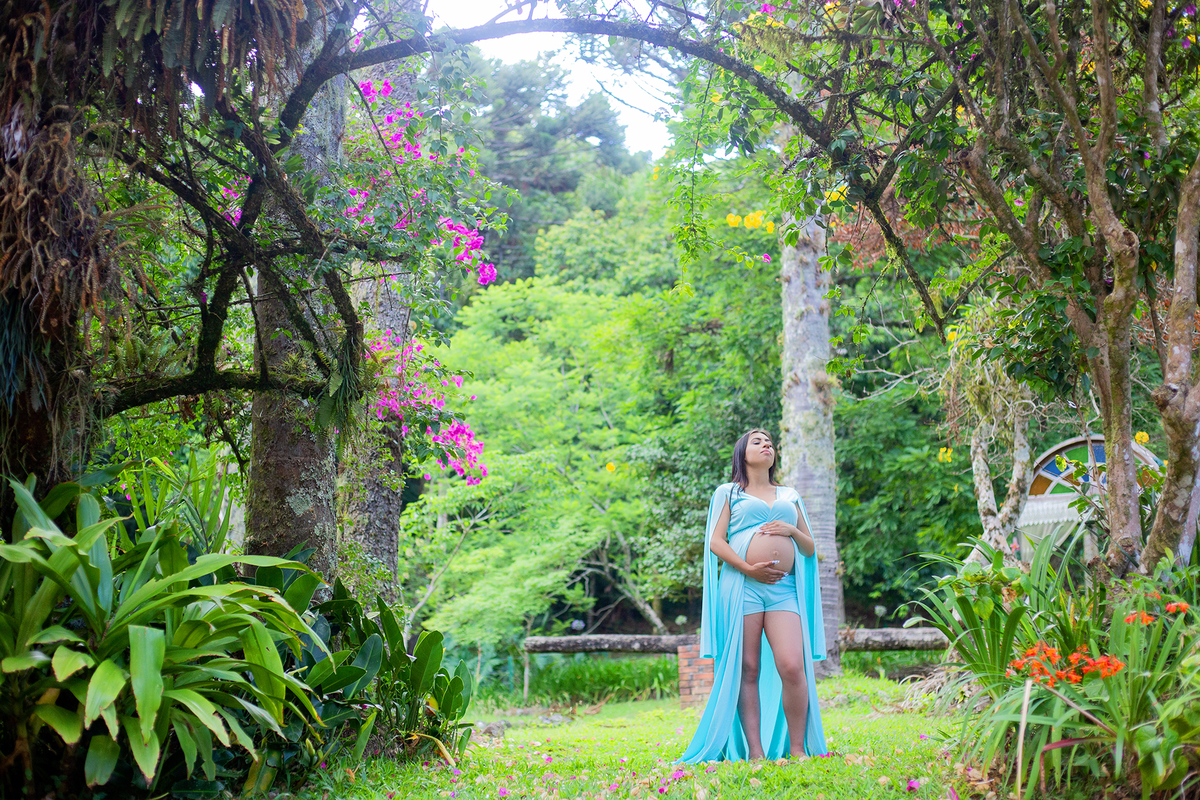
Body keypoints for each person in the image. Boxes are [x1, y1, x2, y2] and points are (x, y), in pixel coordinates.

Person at [679, 428, 827, 762]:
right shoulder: (728, 492)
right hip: (743, 586)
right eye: (757, 441)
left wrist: (791, 530)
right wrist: (748, 568)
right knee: (748, 667)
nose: (766, 445)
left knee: (793, 665)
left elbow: (809, 548)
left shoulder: (789, 495)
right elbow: (716, 541)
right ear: (742, 453)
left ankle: (798, 749)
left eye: (769, 442)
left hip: (783, 589)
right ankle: (756, 752)